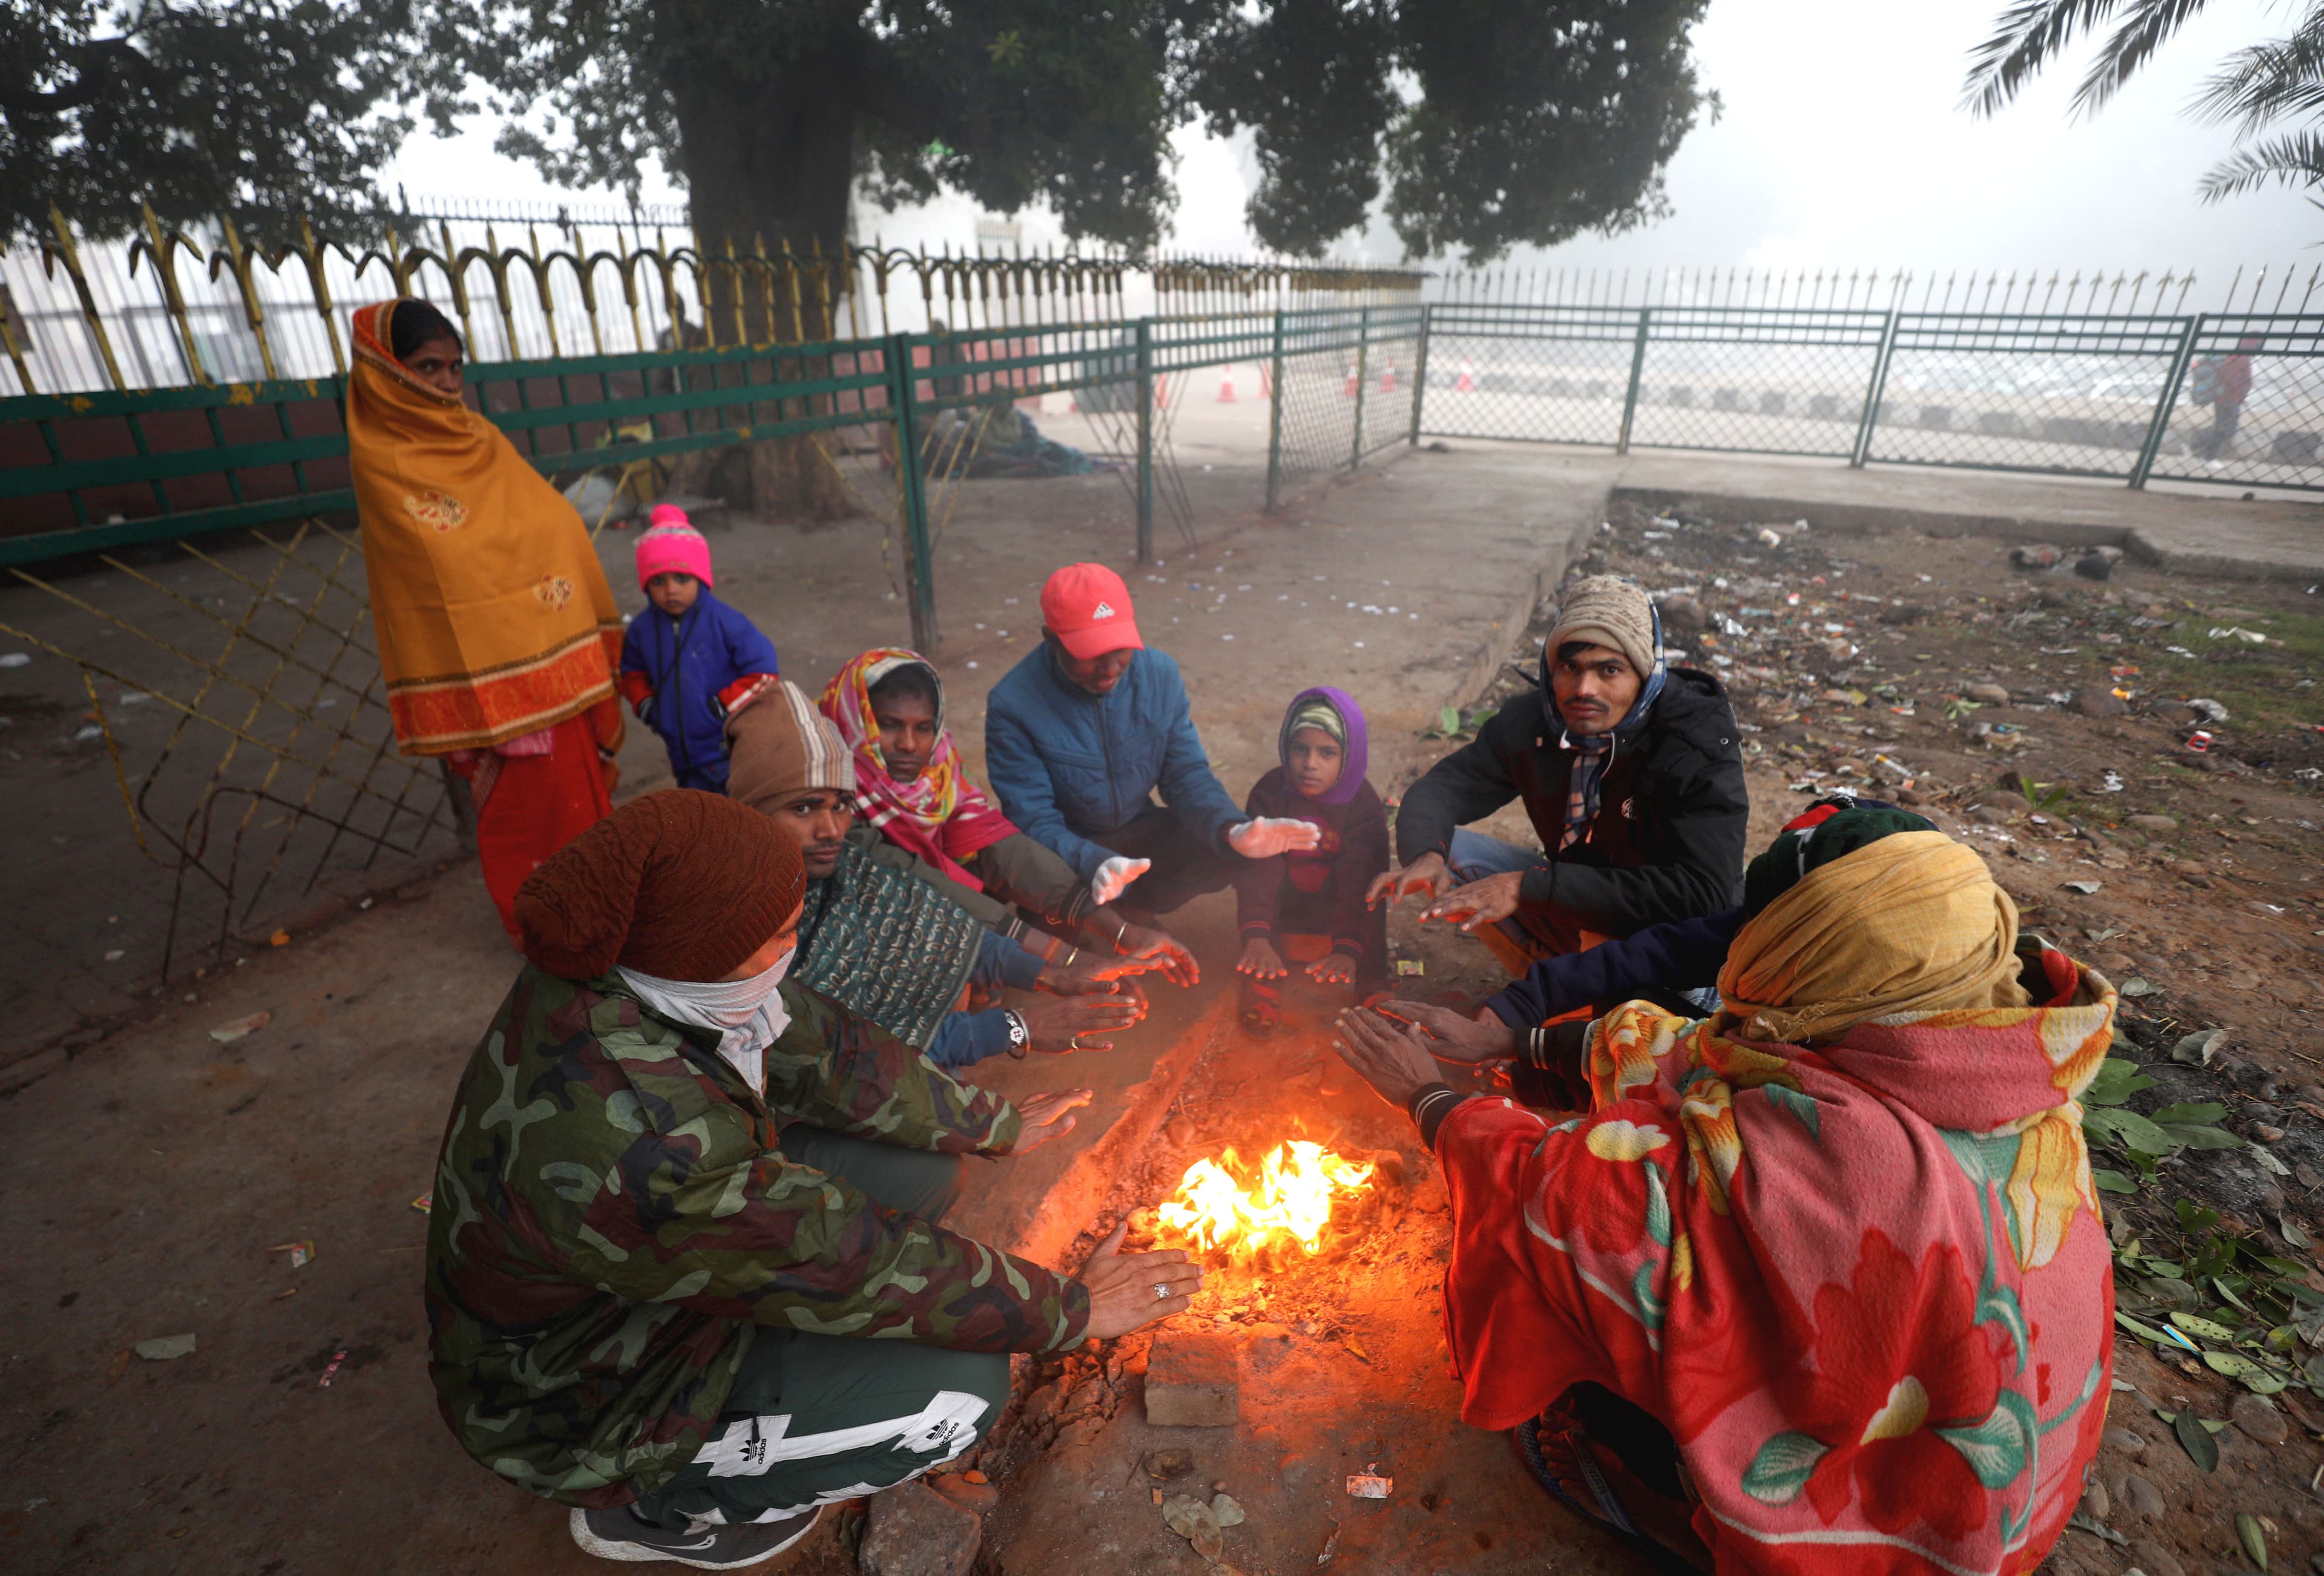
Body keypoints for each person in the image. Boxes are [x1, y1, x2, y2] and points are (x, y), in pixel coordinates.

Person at [425, 790, 1201, 1568]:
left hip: (649, 1282)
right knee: (962, 1392)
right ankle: (659, 1504)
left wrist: (985, 1122)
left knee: (918, 1165)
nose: (794, 949)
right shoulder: (647, 1138)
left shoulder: (641, 969)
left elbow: (820, 1044)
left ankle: (761, 1376)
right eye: (783, 934)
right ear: (698, 949)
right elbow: (847, 1257)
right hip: (578, 1401)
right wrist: (1074, 1308)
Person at [1331, 815, 2112, 1574]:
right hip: (2024, 1494)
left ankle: (1655, 1498)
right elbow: (1716, 1052)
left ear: (1802, 956)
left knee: (1557, 1266)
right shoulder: (1991, 1044)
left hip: (1901, 1530)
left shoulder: (1844, 1161)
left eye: (1760, 940)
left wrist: (1431, 1101)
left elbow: (1563, 1202)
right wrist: (1515, 1039)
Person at [346, 297, 625, 944]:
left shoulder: (481, 438)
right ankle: (553, 939)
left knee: (583, 803)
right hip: (489, 688)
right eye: (428, 367)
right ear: (387, 373)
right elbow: (442, 566)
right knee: (526, 819)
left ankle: (606, 919)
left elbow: (546, 518)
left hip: (555, 652)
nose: (447, 383)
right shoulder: (386, 462)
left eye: (455, 368)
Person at [730, 679, 1158, 1067]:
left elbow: (939, 924)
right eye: (803, 808)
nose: (829, 829)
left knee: (952, 993)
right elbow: (855, 1057)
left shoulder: (851, 860)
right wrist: (1017, 1027)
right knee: (939, 1134)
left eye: (841, 806)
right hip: (806, 1100)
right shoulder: (748, 926)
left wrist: (1061, 968)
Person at [1370, 574, 1747, 973]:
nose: (1584, 688)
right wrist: (1426, 851)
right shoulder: (1535, 723)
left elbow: (1704, 894)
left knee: (1639, 1023)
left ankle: (1585, 1003)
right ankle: (1554, 989)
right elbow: (1444, 789)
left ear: (1645, 674)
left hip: (1673, 943)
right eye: (1570, 667)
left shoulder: (1694, 741)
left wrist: (1529, 888)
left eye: (1610, 671)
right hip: (1578, 904)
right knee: (1453, 852)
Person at [1403, 795, 1914, 1062]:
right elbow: (1649, 954)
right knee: (1634, 999)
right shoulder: (1768, 922)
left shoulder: (1911, 996)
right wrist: (1519, 1010)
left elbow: (1726, 1064)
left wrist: (1526, 1052)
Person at [818, 647, 1196, 982]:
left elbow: (999, 847)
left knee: (988, 863)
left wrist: (1120, 931)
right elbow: (914, 884)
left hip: (936, 903)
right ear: (855, 718)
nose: (908, 745)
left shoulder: (940, 773)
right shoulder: (828, 795)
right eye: (888, 725)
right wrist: (1064, 959)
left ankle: (981, 970)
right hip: (853, 936)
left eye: (923, 728)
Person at [985, 562, 1320, 921]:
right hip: (1066, 843)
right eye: (1092, 653)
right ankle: (1092, 917)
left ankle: (1131, 910)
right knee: (1053, 922)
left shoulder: (1159, 675)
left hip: (1139, 829)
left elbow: (1186, 774)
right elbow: (1034, 821)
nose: (1111, 668)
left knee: (1227, 849)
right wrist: (1095, 862)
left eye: (1120, 648)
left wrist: (1231, 829)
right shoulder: (1014, 703)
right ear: (1051, 639)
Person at [1231, 687, 1392, 1036]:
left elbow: (1360, 878)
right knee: (1263, 874)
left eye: (1327, 752)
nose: (1310, 763)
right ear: (1286, 747)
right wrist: (1256, 934)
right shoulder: (1270, 792)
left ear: (1349, 757)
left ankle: (1370, 980)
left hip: (1340, 897)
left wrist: (1348, 947)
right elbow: (1258, 871)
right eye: (1299, 749)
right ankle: (1264, 975)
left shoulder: (1362, 804)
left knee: (1374, 890)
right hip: (1289, 895)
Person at [617, 505, 781, 792]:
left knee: (737, 813)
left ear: (701, 578)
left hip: (727, 749)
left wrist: (723, 705)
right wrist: (647, 706)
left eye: (682, 579)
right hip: (681, 754)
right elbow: (632, 673)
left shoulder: (728, 623)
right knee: (698, 815)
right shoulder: (641, 631)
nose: (671, 590)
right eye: (659, 581)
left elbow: (764, 673)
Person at [2192, 334, 2260, 464]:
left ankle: (2203, 448)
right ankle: (2205, 451)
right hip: (2229, 399)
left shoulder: (2235, 356)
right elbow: (2232, 380)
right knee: (2228, 429)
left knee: (2222, 427)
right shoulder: (2241, 359)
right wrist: (2238, 396)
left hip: (2224, 398)